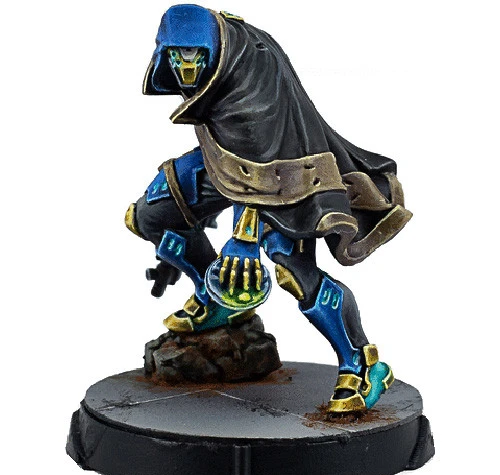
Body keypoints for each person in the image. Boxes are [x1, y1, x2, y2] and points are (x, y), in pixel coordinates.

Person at [125, 5, 412, 413]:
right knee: (152, 213)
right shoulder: (219, 51)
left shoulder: (252, 73)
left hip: (287, 174)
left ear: (211, 50)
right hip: (226, 161)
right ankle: (217, 301)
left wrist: (243, 240)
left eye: (195, 57)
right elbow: (232, 142)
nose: (187, 68)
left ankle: (362, 363)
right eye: (178, 56)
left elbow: (263, 161)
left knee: (292, 268)